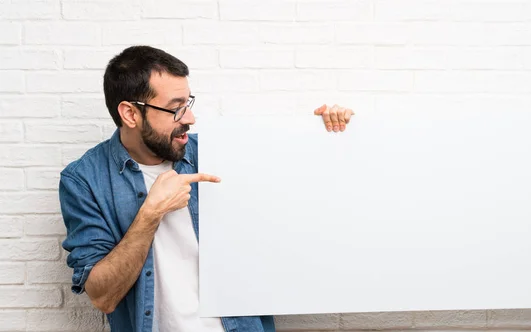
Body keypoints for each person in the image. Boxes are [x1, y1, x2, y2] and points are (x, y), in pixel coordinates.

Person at [59, 45, 355, 332]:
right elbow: (103, 297)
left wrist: (325, 134)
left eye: (188, 104)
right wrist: (151, 213)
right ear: (131, 114)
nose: (189, 118)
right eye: (176, 109)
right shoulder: (84, 180)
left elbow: (303, 196)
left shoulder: (221, 151)